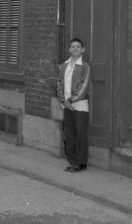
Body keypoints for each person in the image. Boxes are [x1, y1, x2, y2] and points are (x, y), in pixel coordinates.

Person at [57, 38, 91, 172]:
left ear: (83, 50)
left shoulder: (85, 66)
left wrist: (70, 101)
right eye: (73, 47)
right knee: (69, 134)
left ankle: (81, 162)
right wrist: (63, 100)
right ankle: (72, 161)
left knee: (80, 134)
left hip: (80, 105)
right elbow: (59, 83)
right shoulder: (64, 65)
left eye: (78, 47)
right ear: (69, 50)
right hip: (66, 105)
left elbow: (83, 86)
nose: (75, 49)